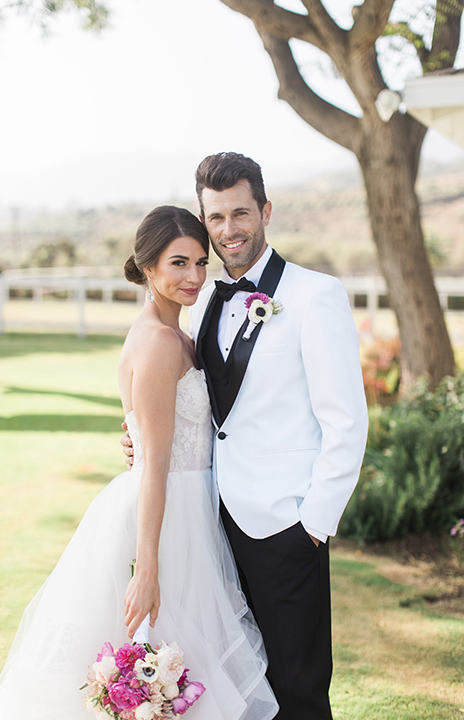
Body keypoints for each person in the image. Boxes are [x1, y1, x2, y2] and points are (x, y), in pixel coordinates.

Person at [0, 205, 279, 720]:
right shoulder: (159, 343)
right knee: (156, 662)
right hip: (164, 520)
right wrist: (147, 567)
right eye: (178, 264)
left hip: (188, 506)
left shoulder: (180, 334)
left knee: (181, 672)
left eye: (199, 263)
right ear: (148, 269)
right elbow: (156, 464)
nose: (193, 277)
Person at [122, 153, 369, 720]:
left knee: (297, 691)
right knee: (230, 690)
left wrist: (312, 525)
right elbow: (198, 402)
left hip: (285, 527)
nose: (228, 229)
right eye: (216, 218)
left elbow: (346, 422)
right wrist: (140, 436)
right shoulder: (203, 297)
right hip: (210, 523)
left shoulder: (315, 295)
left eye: (240, 213)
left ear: (265, 211)